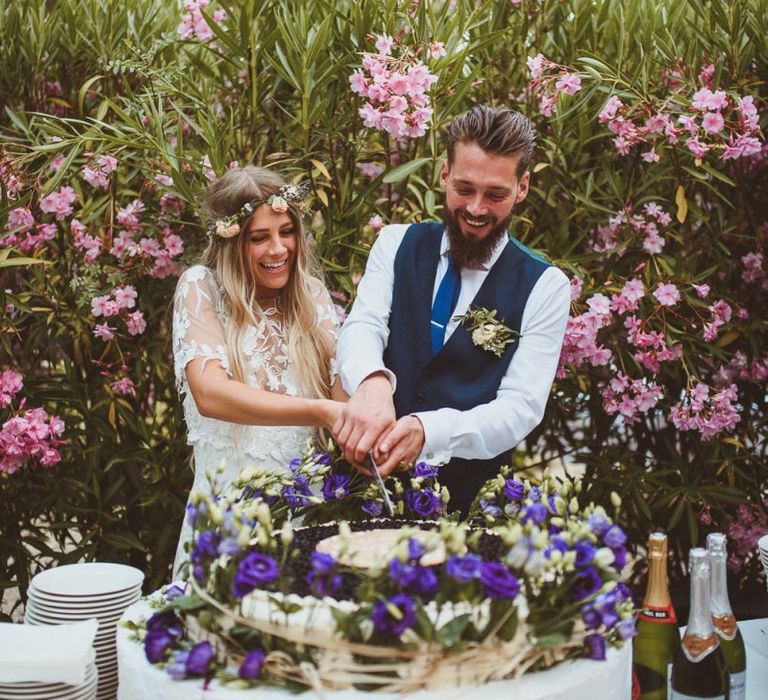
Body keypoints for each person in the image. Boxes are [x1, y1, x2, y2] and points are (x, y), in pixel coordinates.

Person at [333, 105, 571, 515]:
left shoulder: (546, 287)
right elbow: (364, 326)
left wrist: (430, 430)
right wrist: (371, 382)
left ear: (523, 187)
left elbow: (521, 409)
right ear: (444, 175)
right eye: (464, 189)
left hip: (466, 508)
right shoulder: (395, 244)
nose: (477, 209)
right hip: (361, 490)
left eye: (495, 194)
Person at [171, 165, 345, 573]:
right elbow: (210, 393)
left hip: (307, 513)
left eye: (286, 232)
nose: (278, 249)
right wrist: (319, 411)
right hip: (230, 515)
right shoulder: (202, 288)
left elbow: (344, 387)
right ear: (230, 241)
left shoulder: (312, 296)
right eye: (259, 237)